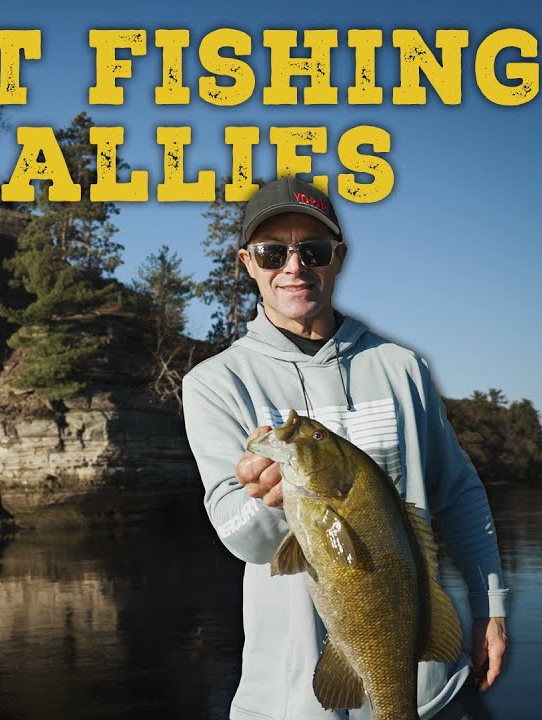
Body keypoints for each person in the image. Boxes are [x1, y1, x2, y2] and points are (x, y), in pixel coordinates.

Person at [182, 177, 509, 720]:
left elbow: (459, 492)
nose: (294, 266)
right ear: (247, 263)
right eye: (272, 253)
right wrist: (267, 501)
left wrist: (489, 606)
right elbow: (243, 540)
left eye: (313, 250)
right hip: (289, 705)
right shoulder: (214, 383)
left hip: (430, 692)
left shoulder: (403, 368)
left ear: (338, 258)